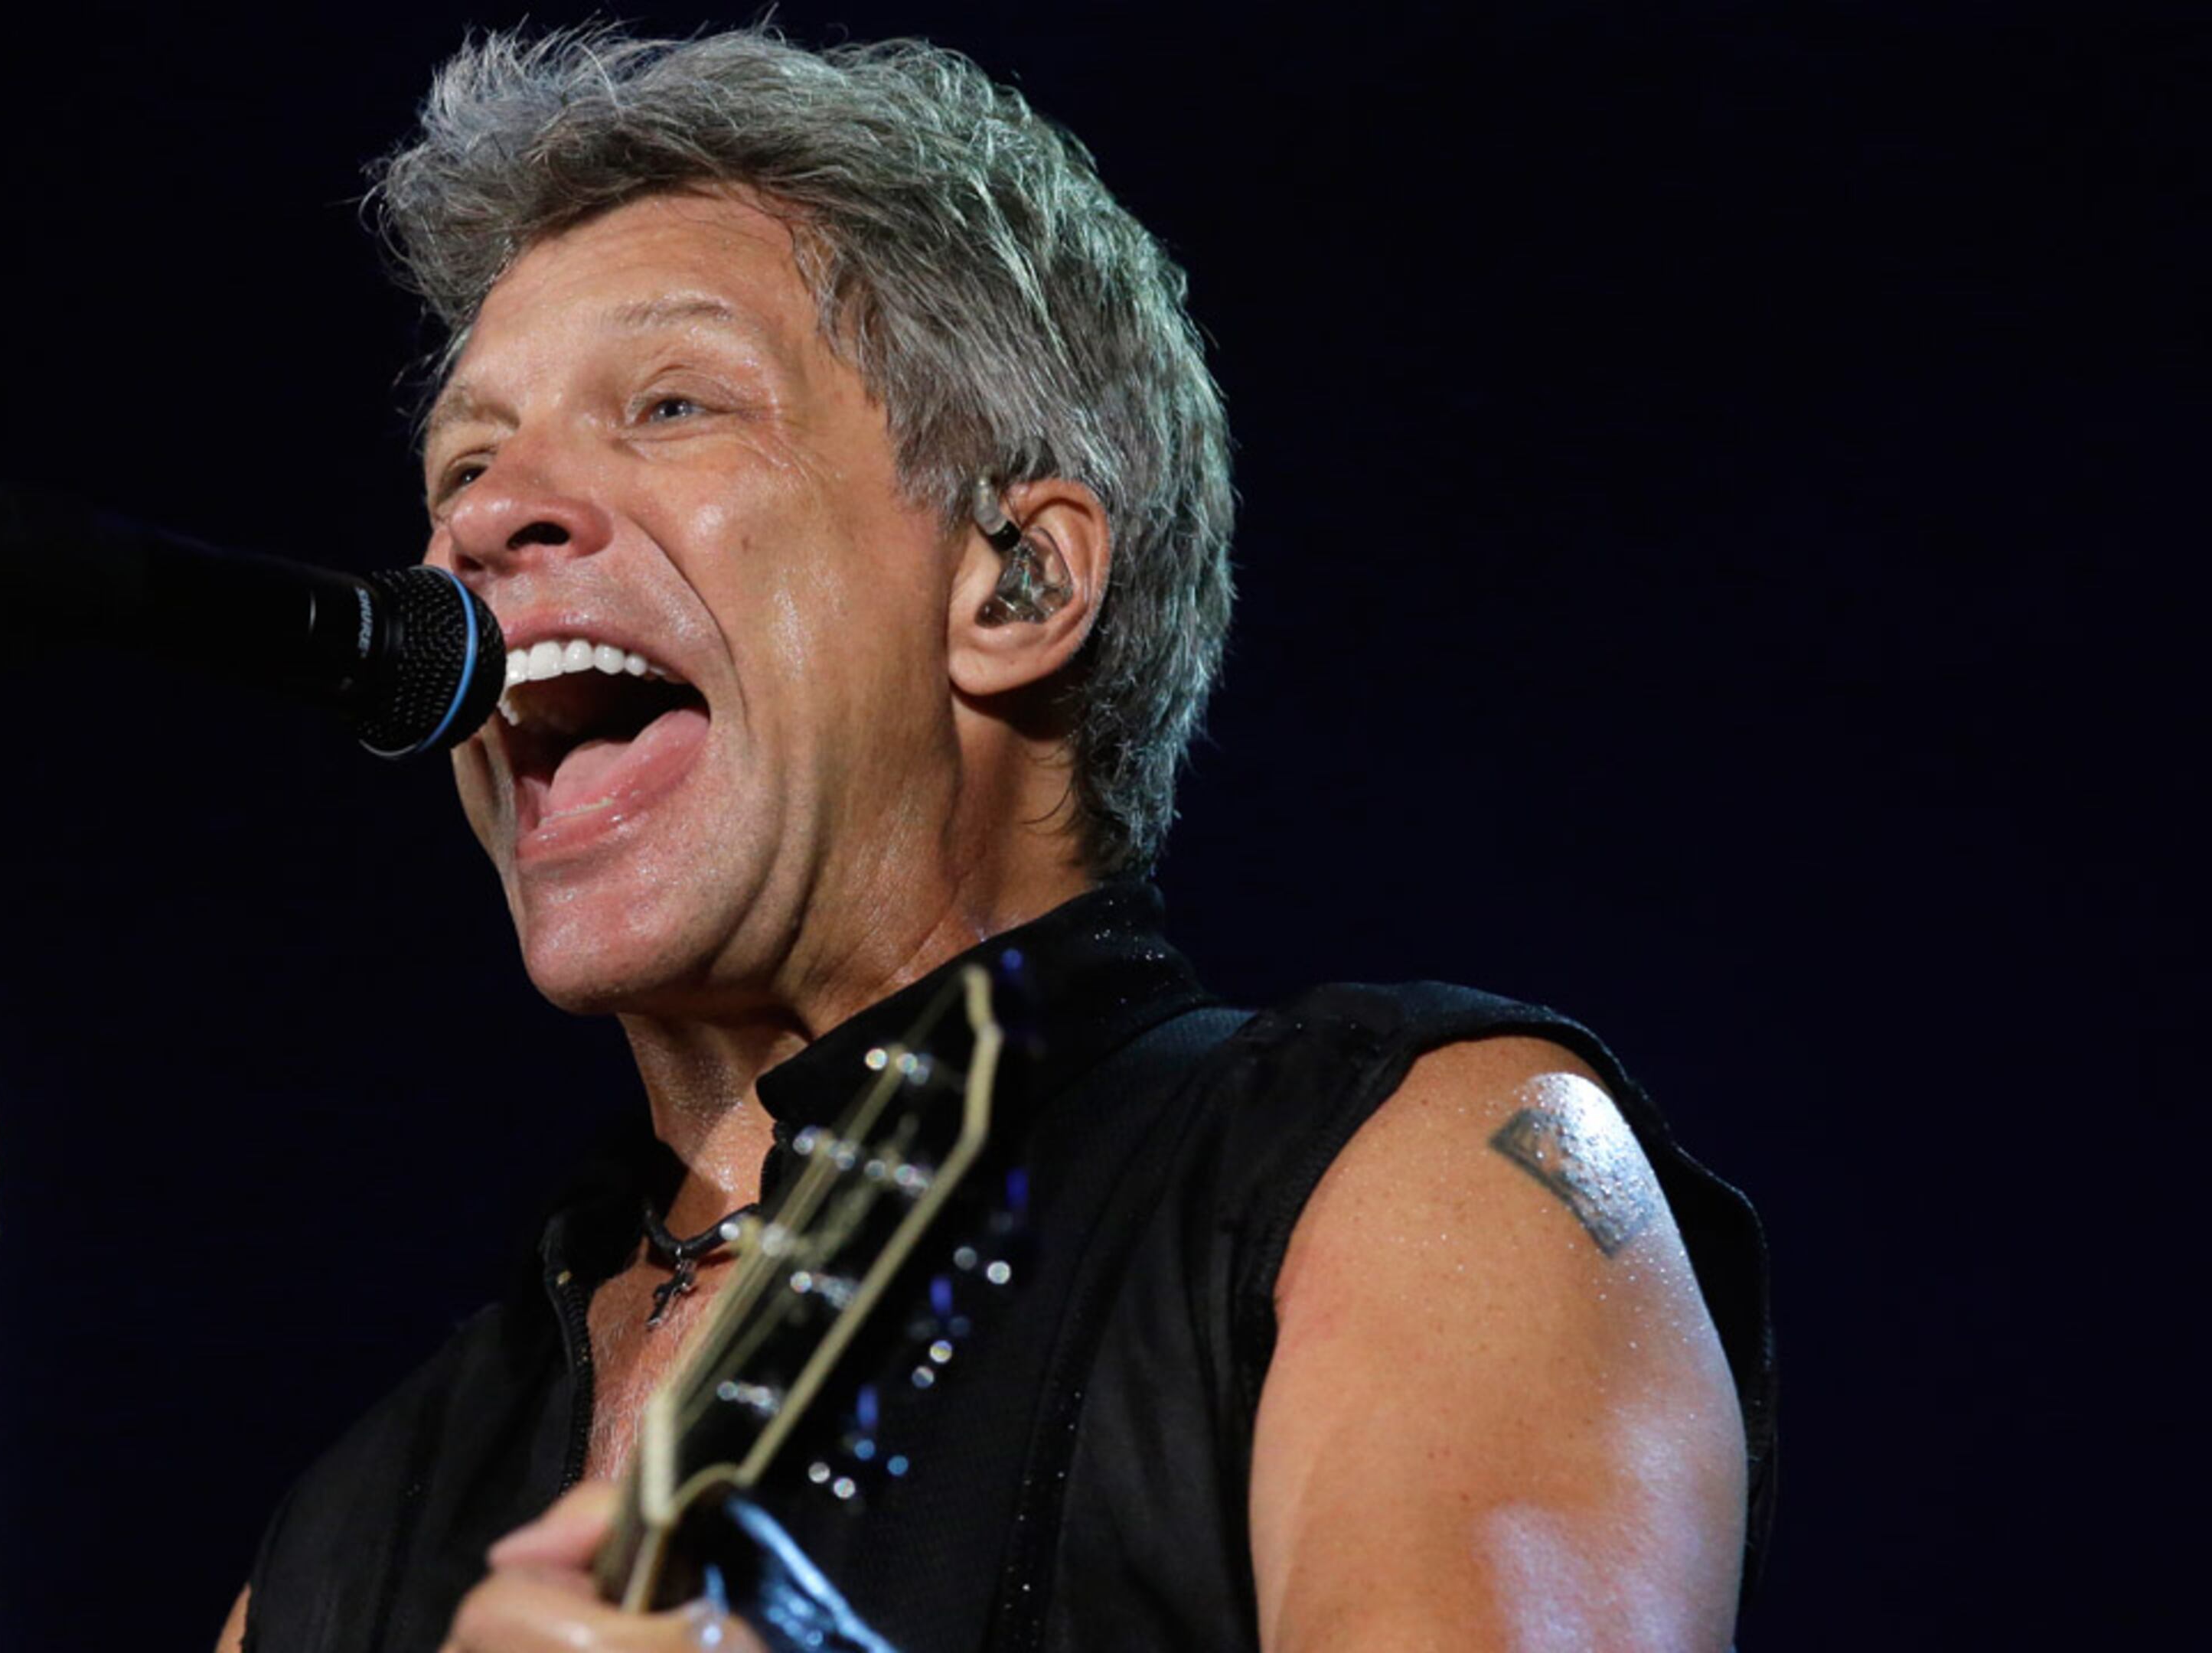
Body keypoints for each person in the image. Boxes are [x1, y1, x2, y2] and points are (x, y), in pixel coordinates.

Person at [223, 25, 1774, 1652]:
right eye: (464, 462)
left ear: (1020, 582)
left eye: (670, 404)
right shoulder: (356, 1535)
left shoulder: (1412, 1175)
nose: (480, 521)